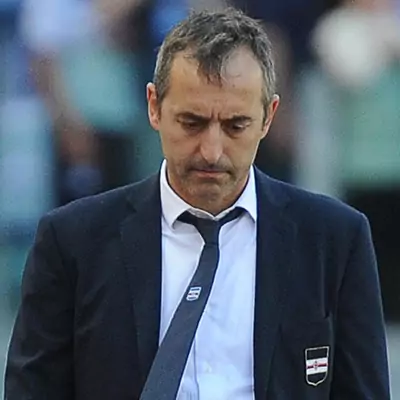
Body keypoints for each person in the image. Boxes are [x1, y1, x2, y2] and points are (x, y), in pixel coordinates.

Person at [4, 8, 390, 400]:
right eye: (192, 123)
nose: (212, 151)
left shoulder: (334, 240)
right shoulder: (73, 242)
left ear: (268, 118)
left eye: (235, 125)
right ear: (154, 106)